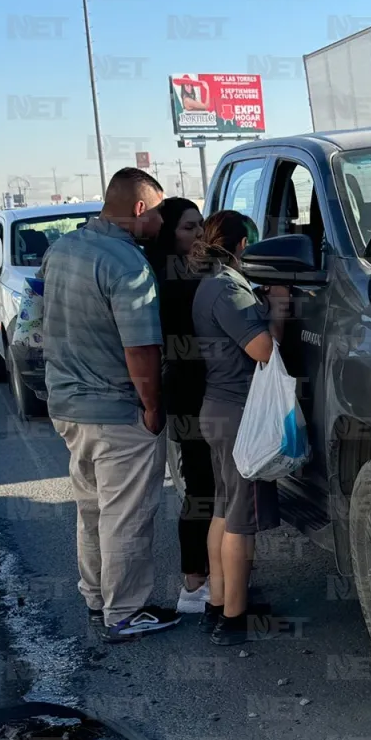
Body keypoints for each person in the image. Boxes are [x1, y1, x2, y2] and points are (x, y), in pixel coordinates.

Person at [40, 167, 181, 643]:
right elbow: (141, 348)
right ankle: (125, 613)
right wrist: (152, 406)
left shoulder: (63, 249)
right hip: (117, 411)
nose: (162, 222)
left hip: (67, 405)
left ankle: (96, 598)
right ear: (140, 210)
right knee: (127, 516)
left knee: (93, 509)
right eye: (159, 212)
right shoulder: (127, 265)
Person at [192, 210, 289, 645]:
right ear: (243, 246)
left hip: (220, 409)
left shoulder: (213, 285)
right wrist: (280, 309)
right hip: (239, 418)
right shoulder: (228, 289)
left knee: (223, 510)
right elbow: (264, 350)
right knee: (241, 519)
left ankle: (219, 602)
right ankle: (234, 617)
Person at [144, 197, 215, 614]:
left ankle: (212, 579)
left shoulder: (193, 271)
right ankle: (194, 584)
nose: (198, 235)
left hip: (206, 388)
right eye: (189, 227)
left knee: (212, 484)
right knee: (202, 485)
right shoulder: (164, 277)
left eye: (201, 226)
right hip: (190, 390)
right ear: (170, 232)